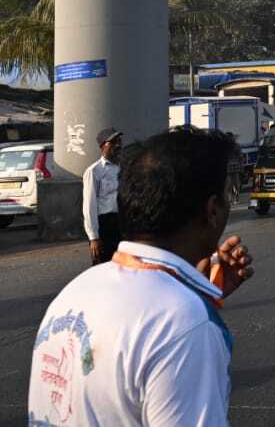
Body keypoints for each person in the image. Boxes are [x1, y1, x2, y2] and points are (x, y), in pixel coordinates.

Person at [29, 127, 255, 425]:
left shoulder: (72, 294)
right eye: (229, 194)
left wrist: (197, 295)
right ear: (212, 210)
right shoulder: (184, 323)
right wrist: (189, 307)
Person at [83, 127, 124, 265]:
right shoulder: (94, 171)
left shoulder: (124, 168)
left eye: (119, 142)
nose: (118, 145)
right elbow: (89, 206)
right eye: (112, 142)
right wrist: (93, 237)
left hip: (122, 224)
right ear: (102, 146)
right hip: (105, 225)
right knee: (103, 266)